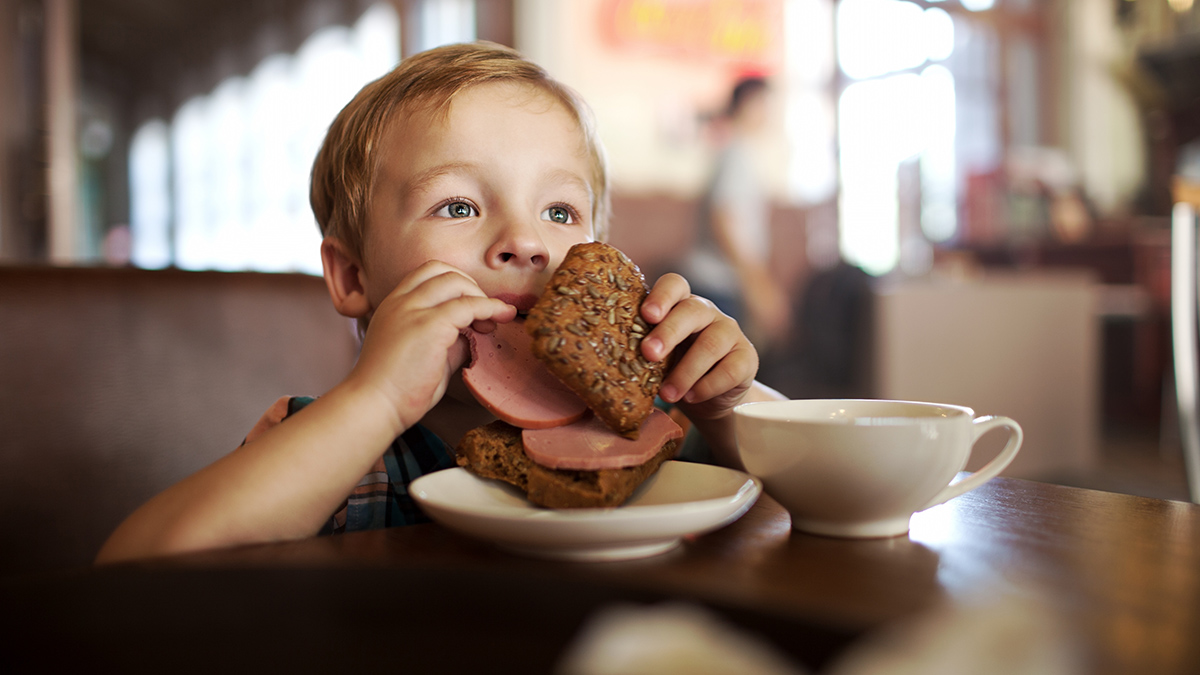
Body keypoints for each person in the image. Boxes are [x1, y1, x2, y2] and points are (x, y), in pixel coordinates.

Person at [96, 42, 785, 563]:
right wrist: (375, 401)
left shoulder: (652, 424)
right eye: (457, 205)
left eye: (560, 210)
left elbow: (838, 507)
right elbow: (140, 569)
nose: (525, 241)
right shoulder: (337, 445)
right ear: (353, 276)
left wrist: (731, 407)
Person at [683, 76, 790, 350]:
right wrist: (759, 289)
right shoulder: (736, 155)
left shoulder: (735, 151)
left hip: (722, 285)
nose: (771, 114)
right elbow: (724, 223)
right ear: (748, 104)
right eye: (766, 104)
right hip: (717, 285)